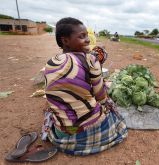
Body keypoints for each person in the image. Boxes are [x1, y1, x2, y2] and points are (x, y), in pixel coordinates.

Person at [42, 17, 128, 156]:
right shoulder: (90, 59)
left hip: (60, 131)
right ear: (65, 41)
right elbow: (101, 98)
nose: (87, 40)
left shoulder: (50, 63)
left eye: (87, 35)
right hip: (85, 131)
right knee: (111, 110)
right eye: (81, 37)